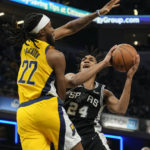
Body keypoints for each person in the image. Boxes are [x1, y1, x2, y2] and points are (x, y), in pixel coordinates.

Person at [12, 0, 120, 150]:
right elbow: (68, 87)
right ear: (42, 32)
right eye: (50, 26)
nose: (53, 29)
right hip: (46, 107)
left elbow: (70, 27)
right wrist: (104, 62)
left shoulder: (27, 44)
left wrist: (98, 13)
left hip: (24, 113)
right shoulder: (55, 56)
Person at [64, 48, 140, 150]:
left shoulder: (103, 92)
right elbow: (72, 81)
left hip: (91, 136)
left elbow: (120, 109)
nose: (86, 60)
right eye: (84, 59)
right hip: (67, 133)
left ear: (97, 67)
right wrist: (104, 62)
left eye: (91, 60)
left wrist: (129, 78)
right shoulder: (70, 77)